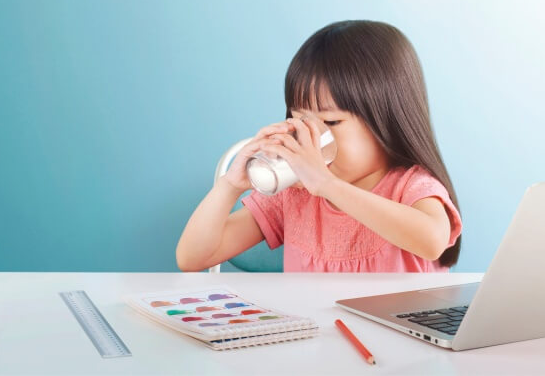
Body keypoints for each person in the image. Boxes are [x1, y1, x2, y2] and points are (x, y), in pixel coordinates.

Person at [176, 20, 462, 272]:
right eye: (300, 121)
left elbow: (432, 241)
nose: (313, 138)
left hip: (389, 334)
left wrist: (326, 183)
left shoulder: (411, 186)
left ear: (387, 120)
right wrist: (231, 185)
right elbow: (193, 258)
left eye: (331, 123)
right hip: (315, 332)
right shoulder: (296, 195)